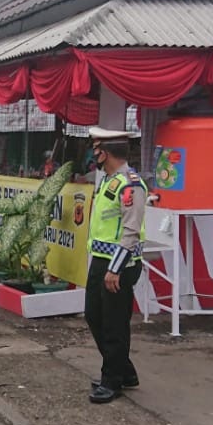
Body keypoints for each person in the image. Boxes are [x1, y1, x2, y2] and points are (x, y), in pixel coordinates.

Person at [85, 126, 147, 404]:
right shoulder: (109, 181)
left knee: (113, 324)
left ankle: (113, 381)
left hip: (119, 265)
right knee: (94, 315)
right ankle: (125, 370)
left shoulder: (130, 184)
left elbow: (131, 232)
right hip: (102, 262)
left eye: (96, 149)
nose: (93, 154)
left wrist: (115, 269)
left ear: (104, 153)